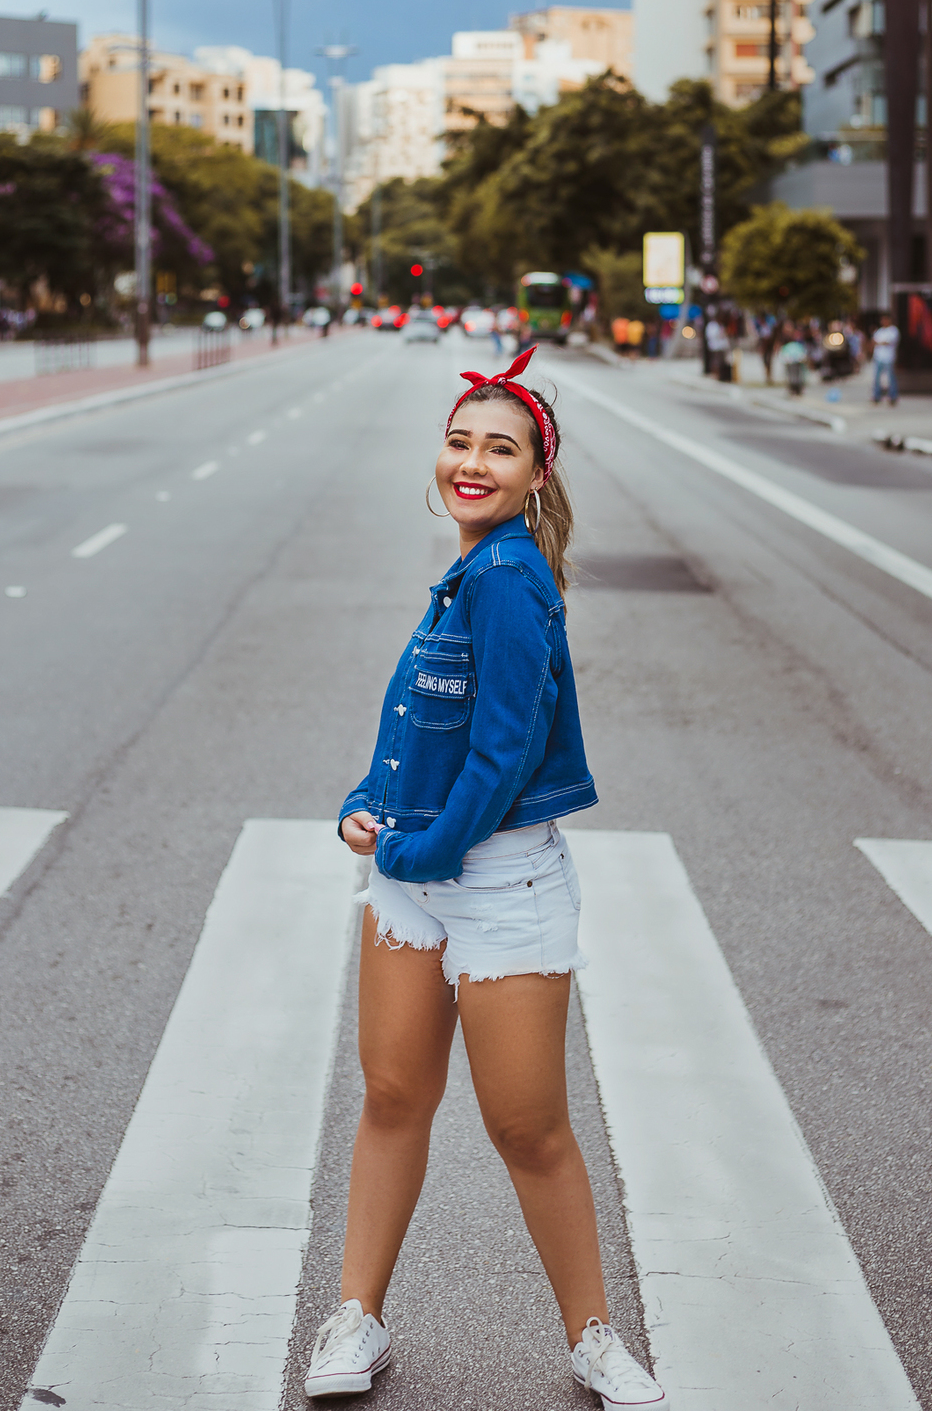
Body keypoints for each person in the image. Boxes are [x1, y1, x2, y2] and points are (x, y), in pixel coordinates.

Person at [305, 347, 667, 1409]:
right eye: (459, 441)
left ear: (536, 473)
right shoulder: (467, 574)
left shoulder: (508, 579)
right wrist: (365, 802)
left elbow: (505, 750)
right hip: (414, 880)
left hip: (500, 885)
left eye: (498, 449)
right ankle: (357, 1317)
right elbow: (419, 730)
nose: (471, 462)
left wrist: (420, 852)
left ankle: (594, 1337)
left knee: (528, 1129)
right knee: (391, 1098)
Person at [870, 312, 900, 406]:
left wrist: (879, 343)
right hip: (878, 357)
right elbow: (873, 342)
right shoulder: (879, 331)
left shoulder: (893, 330)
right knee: (877, 378)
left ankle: (893, 397)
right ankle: (876, 396)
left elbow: (888, 342)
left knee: (891, 378)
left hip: (888, 358)